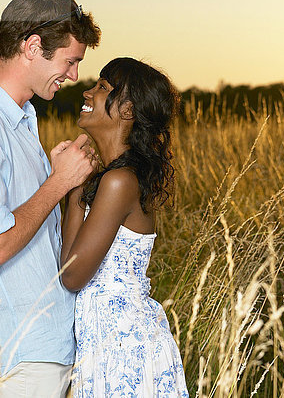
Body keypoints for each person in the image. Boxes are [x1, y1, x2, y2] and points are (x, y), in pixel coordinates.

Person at [0, 0, 101, 396]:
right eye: (69, 61)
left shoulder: (20, 122)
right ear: (33, 46)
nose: (74, 76)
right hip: (20, 355)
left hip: (46, 346)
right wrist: (58, 181)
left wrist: (61, 181)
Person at [60, 58, 189, 396]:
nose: (88, 90)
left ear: (128, 110)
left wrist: (72, 187)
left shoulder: (119, 181)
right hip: (108, 346)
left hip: (124, 349)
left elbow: (72, 275)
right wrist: (76, 183)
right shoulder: (115, 178)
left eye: (103, 88)